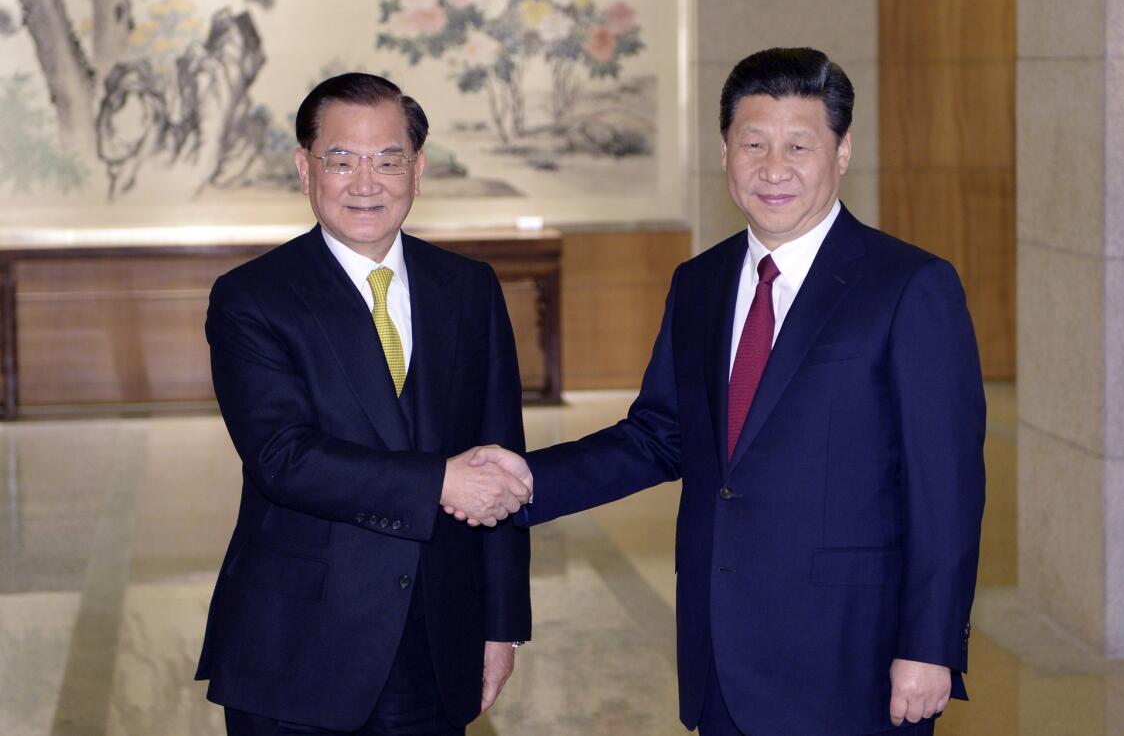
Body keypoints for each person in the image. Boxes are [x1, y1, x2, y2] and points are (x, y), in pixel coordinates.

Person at [462, 47, 987, 735]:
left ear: (843, 150)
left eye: (800, 145)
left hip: (849, 655)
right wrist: (530, 480)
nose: (774, 169)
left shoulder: (908, 286)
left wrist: (929, 647)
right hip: (721, 651)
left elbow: (946, 489)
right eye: (754, 144)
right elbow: (659, 435)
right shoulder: (701, 283)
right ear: (724, 152)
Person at [197, 72, 533, 736]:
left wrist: (501, 625)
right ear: (305, 169)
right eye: (341, 160)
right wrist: (439, 479)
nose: (366, 181)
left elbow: (501, 458)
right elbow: (281, 458)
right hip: (300, 645)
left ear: (418, 168)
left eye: (388, 159)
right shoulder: (253, 298)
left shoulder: (468, 289)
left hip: (438, 641)